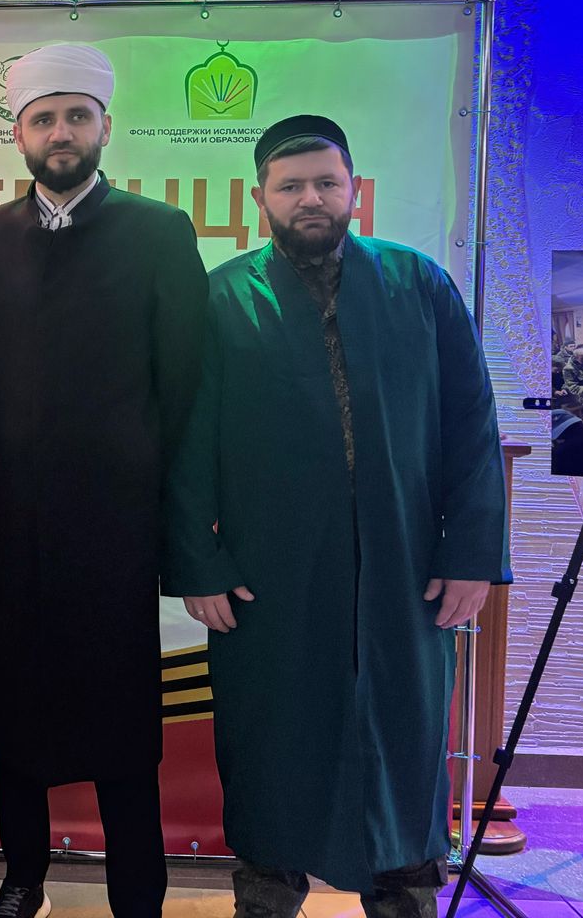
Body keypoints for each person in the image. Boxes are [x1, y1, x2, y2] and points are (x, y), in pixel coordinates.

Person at [164, 115, 509, 918]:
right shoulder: (222, 297)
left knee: (402, 740)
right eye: (291, 186)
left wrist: (472, 555)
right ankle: (265, 900)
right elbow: (185, 440)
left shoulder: (418, 284)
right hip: (270, 575)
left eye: (326, 182)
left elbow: (472, 424)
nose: (310, 198)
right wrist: (197, 565)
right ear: (260, 199)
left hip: (406, 568)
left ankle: (403, 900)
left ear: (355, 190)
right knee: (272, 745)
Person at [0, 43, 207, 918]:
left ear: (105, 126)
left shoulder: (158, 230)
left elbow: (184, 385)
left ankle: (138, 895)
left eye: (76, 116)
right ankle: (22, 880)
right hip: (5, 529)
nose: (60, 132)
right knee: (12, 717)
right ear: (18, 135)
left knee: (121, 723)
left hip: (114, 531)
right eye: (43, 119)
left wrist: (160, 509)